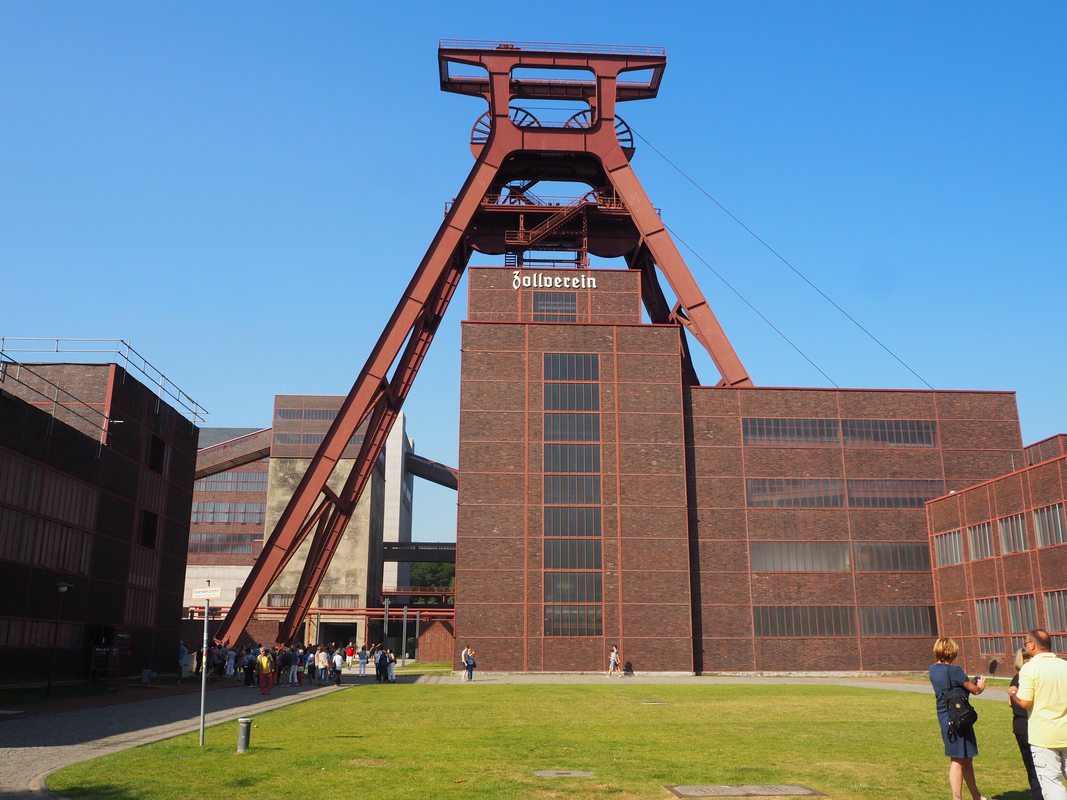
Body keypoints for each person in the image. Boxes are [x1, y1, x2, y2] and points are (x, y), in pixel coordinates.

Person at [929, 637, 990, 800]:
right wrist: (981, 685)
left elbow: (951, 687)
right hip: (958, 718)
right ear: (952, 652)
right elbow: (975, 690)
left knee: (966, 758)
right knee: (957, 760)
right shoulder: (955, 670)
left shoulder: (933, 669)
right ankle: (957, 798)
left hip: (945, 715)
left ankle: (976, 796)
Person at [1012, 629, 1067, 800]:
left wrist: (1013, 693)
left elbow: (1025, 702)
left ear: (1032, 645)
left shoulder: (1030, 668)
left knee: (1051, 783)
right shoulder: (1064, 665)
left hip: (1043, 736)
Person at [1009, 647, 1044, 800]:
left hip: (1026, 725)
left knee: (1035, 766)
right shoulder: (1023, 678)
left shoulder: (1019, 679)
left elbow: (1011, 702)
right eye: (1026, 658)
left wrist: (1012, 693)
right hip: (1026, 724)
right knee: (1033, 766)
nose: (1029, 661)